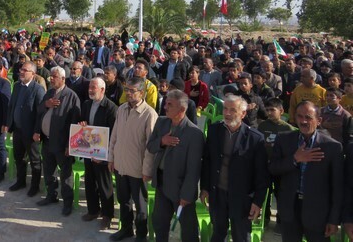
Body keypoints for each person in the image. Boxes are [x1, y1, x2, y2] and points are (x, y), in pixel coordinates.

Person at [269, 101, 343, 242]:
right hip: (290, 210)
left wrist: (334, 220)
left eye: (308, 117)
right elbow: (273, 168)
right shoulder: (284, 140)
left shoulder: (332, 147)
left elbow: (337, 187)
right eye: (299, 116)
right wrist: (295, 159)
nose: (303, 121)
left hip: (318, 213)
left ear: (319, 120)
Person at [200, 94, 269, 242]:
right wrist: (205, 187)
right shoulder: (214, 131)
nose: (227, 113)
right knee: (218, 233)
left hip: (242, 198)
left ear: (243, 114)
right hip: (217, 194)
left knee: (241, 236)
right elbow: (207, 162)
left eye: (232, 110)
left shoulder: (255, 138)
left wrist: (258, 201)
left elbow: (261, 174)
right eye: (225, 109)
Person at [147, 90, 205, 242]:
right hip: (161, 182)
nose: (165, 107)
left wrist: (187, 194)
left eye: (169, 104)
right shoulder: (161, 122)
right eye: (165, 103)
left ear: (182, 109)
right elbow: (151, 147)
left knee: (188, 229)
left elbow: (193, 169)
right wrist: (162, 141)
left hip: (180, 188)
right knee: (160, 222)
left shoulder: (194, 133)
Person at [108, 77, 157, 241]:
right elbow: (114, 136)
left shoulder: (149, 114)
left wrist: (147, 170)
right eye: (126, 90)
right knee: (123, 200)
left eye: (132, 91)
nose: (128, 93)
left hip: (138, 169)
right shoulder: (121, 109)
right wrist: (111, 158)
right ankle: (126, 229)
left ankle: (141, 235)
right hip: (120, 165)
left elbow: (151, 147)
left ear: (141, 93)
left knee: (140, 205)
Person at [34, 66, 81, 216]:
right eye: (51, 77)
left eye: (54, 77)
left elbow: (75, 123)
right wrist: (46, 105)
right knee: (48, 171)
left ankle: (67, 202)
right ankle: (51, 195)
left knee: (66, 174)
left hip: (61, 144)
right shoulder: (49, 93)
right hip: (47, 141)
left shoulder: (71, 96)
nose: (51, 79)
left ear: (63, 79)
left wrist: (70, 145)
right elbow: (39, 111)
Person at [79, 77, 117, 229]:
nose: (90, 89)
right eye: (89, 87)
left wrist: (105, 155)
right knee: (90, 181)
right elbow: (84, 122)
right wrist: (83, 124)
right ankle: (93, 210)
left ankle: (107, 215)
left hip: (102, 154)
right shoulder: (87, 104)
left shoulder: (111, 108)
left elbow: (114, 134)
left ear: (102, 89)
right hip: (89, 151)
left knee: (104, 184)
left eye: (93, 87)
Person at [4, 60, 46, 196]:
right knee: (19, 157)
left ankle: (34, 186)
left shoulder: (38, 89)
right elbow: (12, 106)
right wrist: (9, 123)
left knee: (34, 160)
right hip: (17, 129)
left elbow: (41, 113)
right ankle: (20, 181)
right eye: (21, 69)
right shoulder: (17, 86)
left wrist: (37, 131)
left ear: (33, 73)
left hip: (30, 132)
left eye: (24, 70)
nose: (21, 72)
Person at [257, 97, 296, 224]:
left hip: (281, 167)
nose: (269, 113)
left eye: (272, 110)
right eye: (267, 110)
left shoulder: (288, 129)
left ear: (281, 111)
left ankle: (281, 218)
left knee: (280, 193)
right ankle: (265, 216)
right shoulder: (262, 126)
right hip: (265, 165)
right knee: (264, 192)